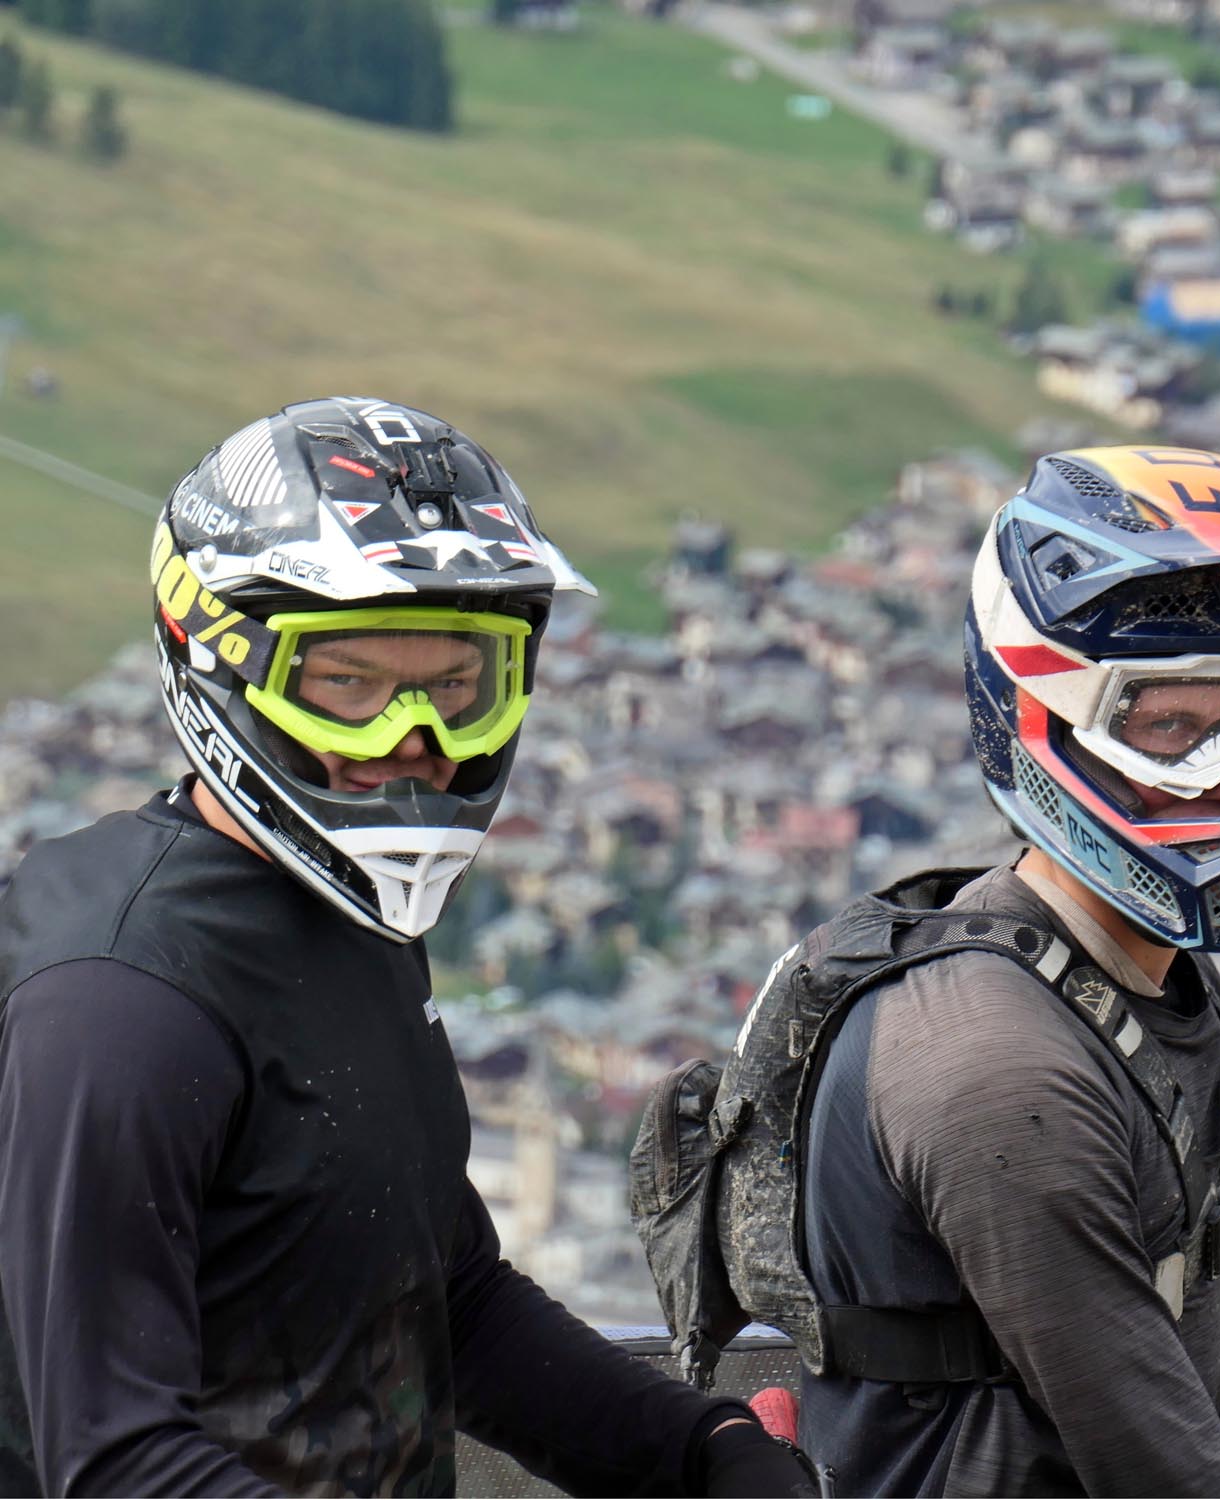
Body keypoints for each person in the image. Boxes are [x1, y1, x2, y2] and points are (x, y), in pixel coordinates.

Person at [0, 398, 814, 1498]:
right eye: (349, 687)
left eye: (454, 686)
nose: (412, 745)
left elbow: (444, 1300)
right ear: (222, 665)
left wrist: (696, 1450)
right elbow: (113, 1465)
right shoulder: (117, 1003)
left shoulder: (348, 919)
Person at [796, 445, 1220, 1496]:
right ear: (1047, 719)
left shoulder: (1152, 982)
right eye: (1172, 728)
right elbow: (1155, 1464)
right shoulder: (1001, 1071)